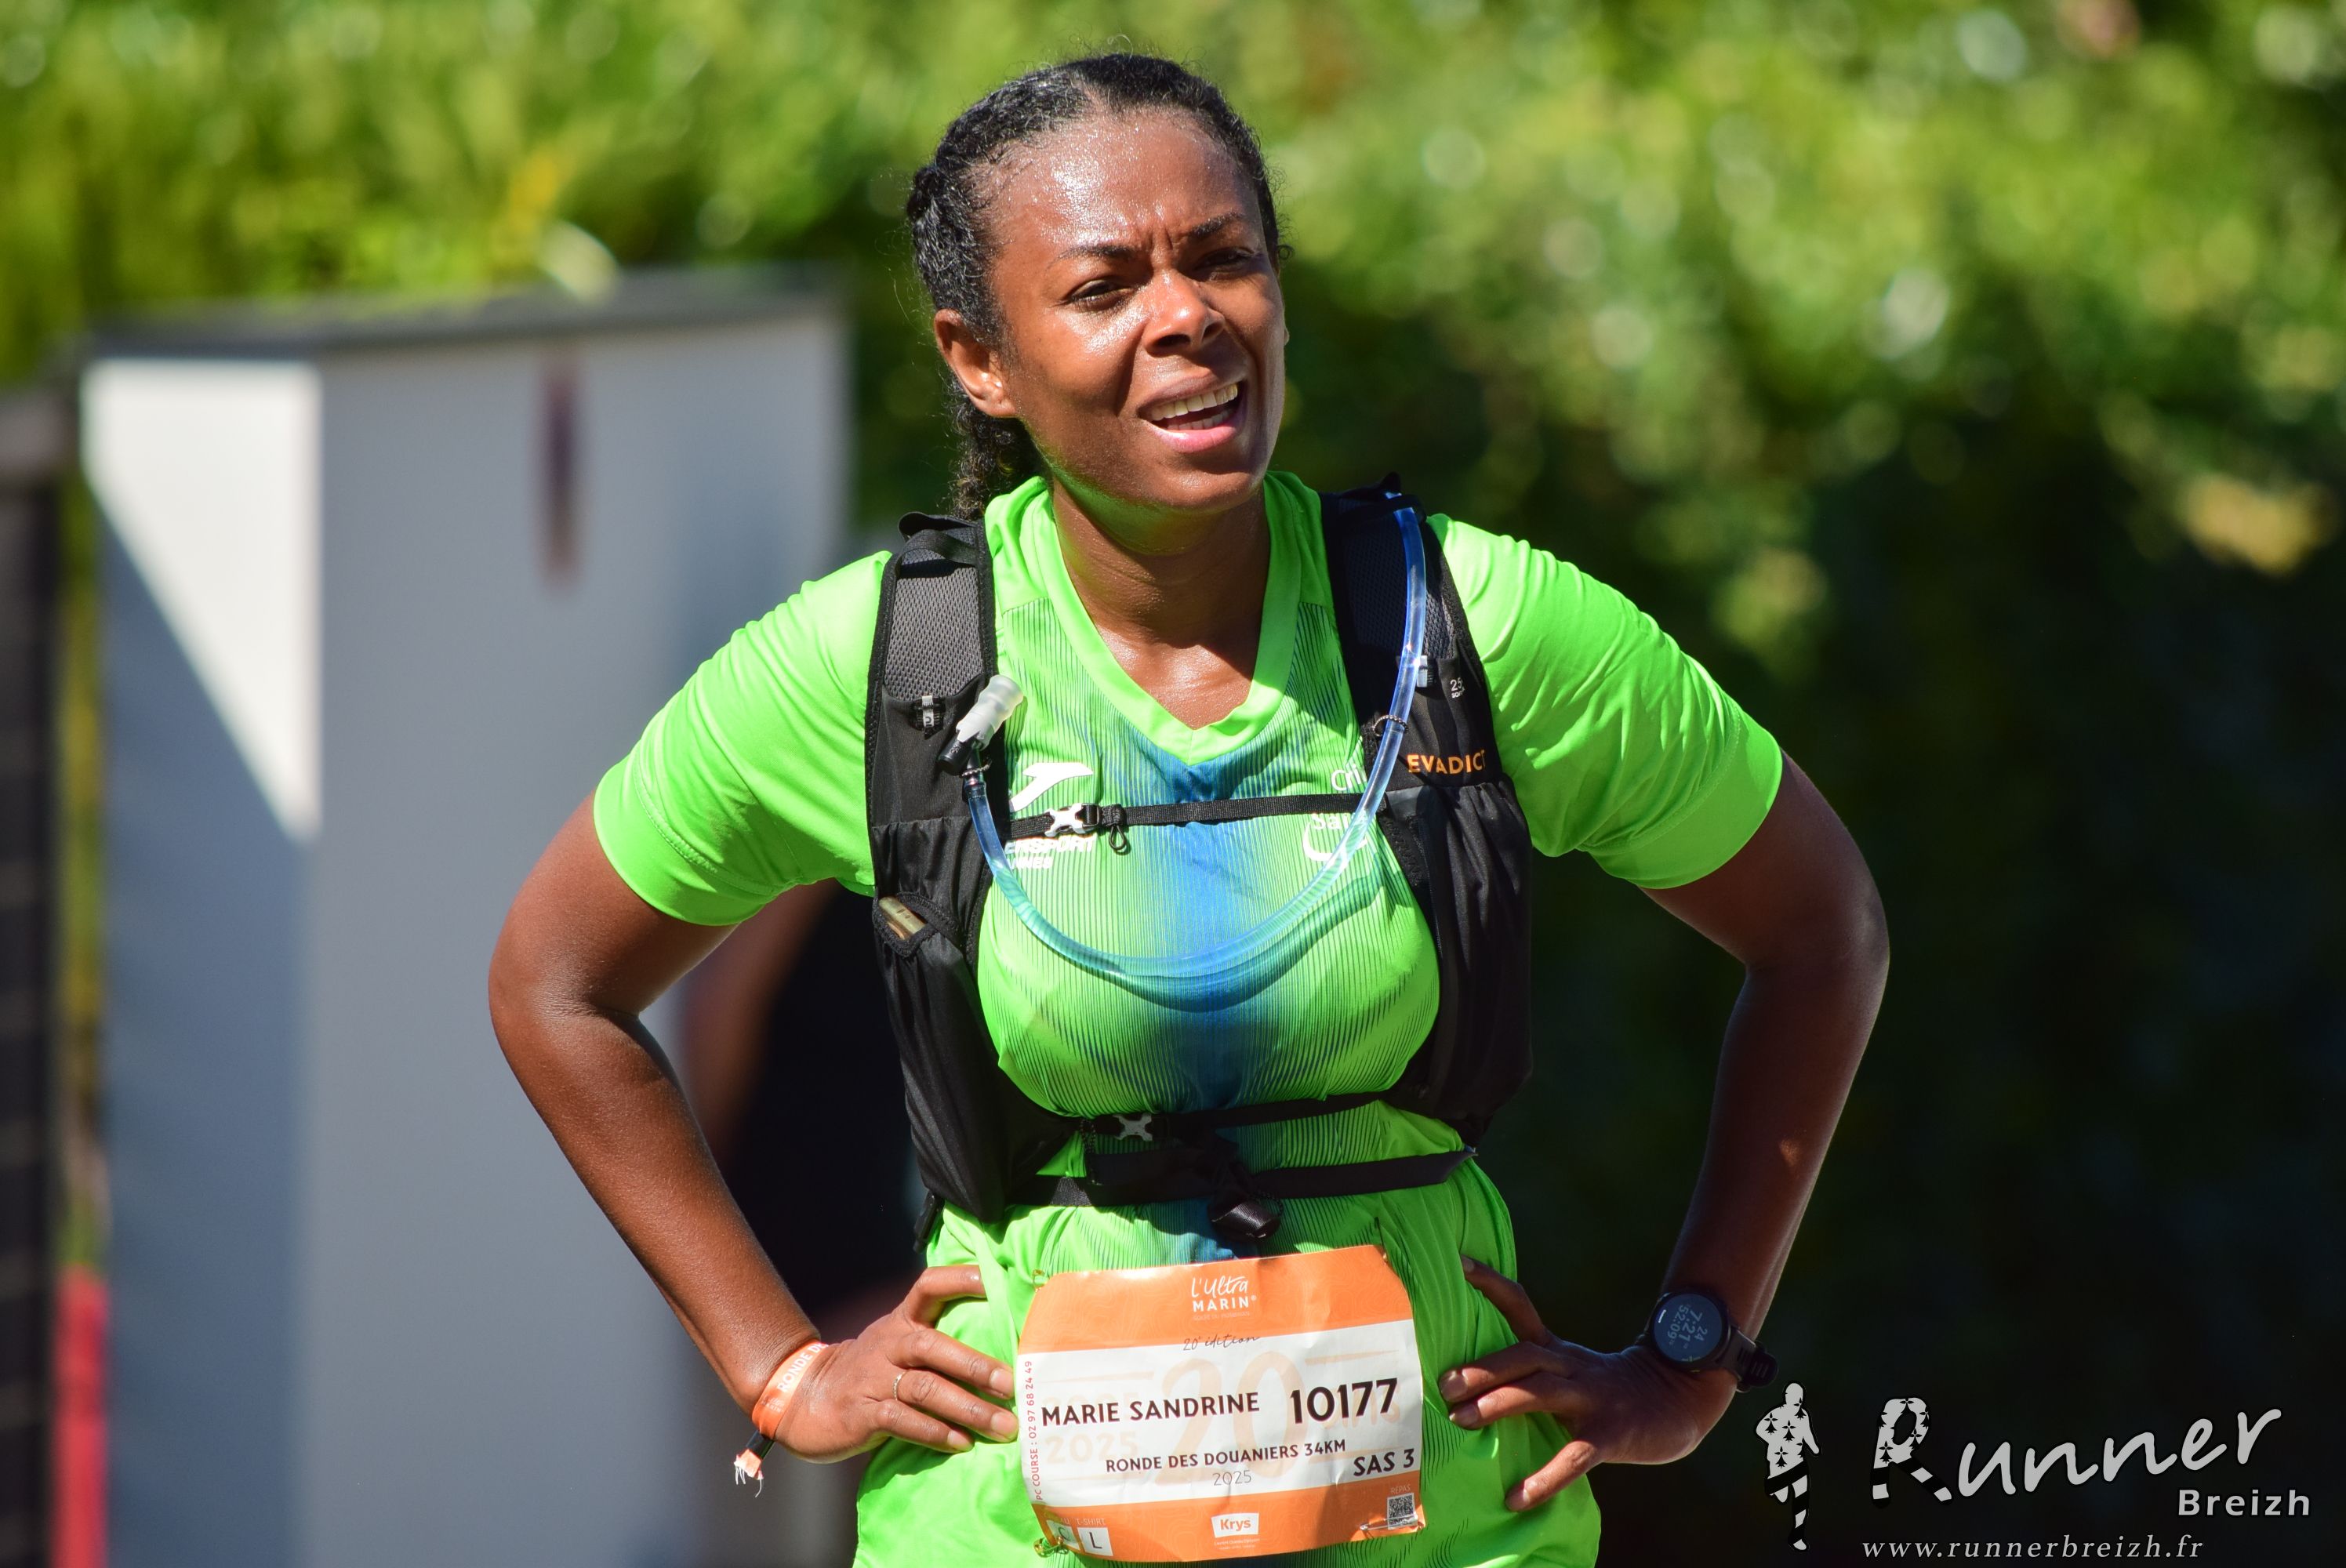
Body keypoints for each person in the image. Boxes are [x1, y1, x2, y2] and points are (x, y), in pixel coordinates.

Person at [488, 53, 1888, 1568]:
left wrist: (1694, 1353)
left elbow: (1824, 934)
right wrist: (777, 1364)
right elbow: (555, 985)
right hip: (1009, 1533)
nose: (1187, 317)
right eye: (1105, 287)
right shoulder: (883, 662)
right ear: (980, 359)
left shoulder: (1467, 627)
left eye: (1225, 259)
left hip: (1449, 1534)